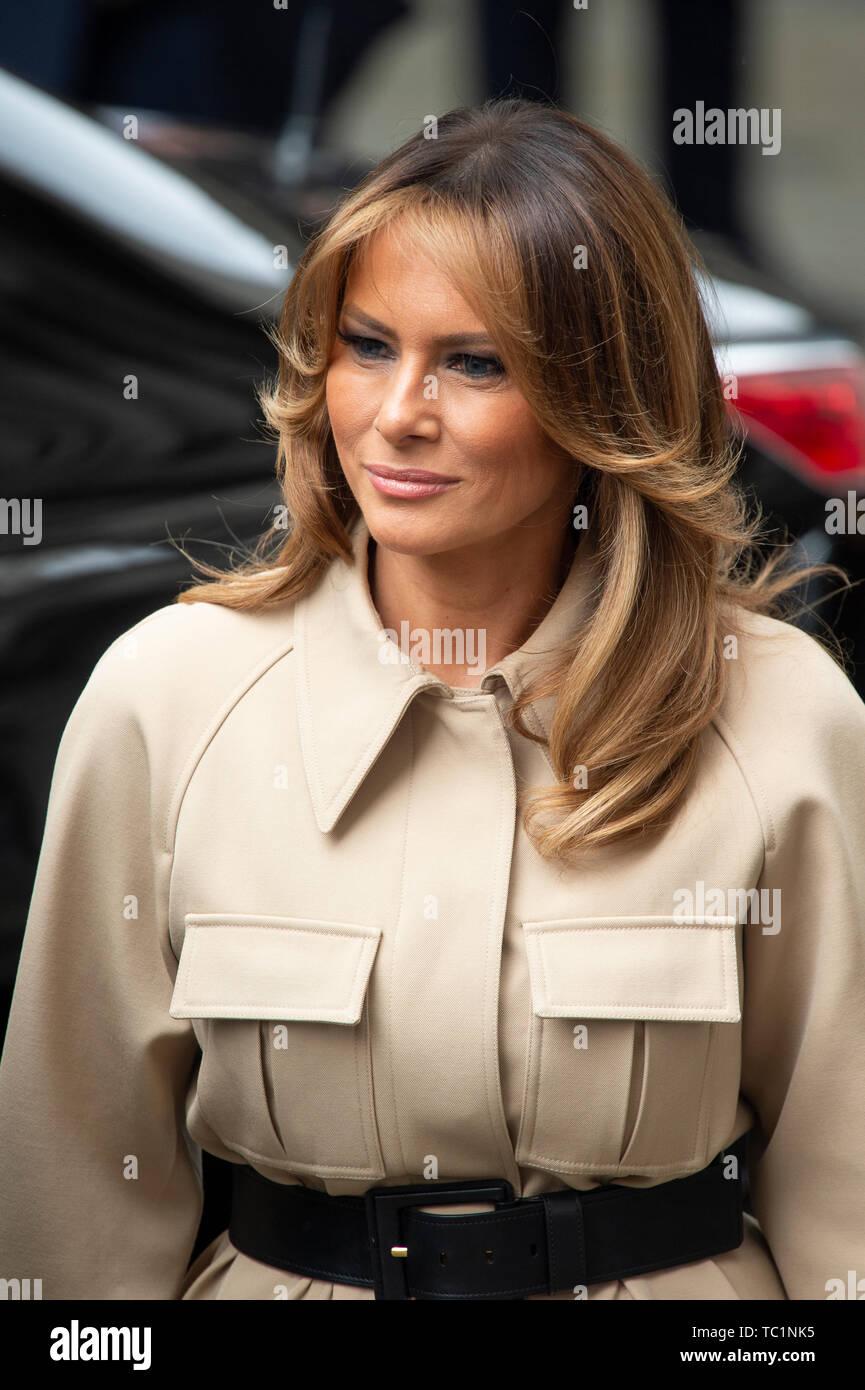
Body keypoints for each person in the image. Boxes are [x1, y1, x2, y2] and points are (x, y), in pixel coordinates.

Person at [1, 99, 863, 1301]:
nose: (397, 412)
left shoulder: (780, 718)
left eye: (474, 362)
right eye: (365, 345)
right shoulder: (166, 699)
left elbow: (848, 1192)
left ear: (604, 398)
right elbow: (75, 1196)